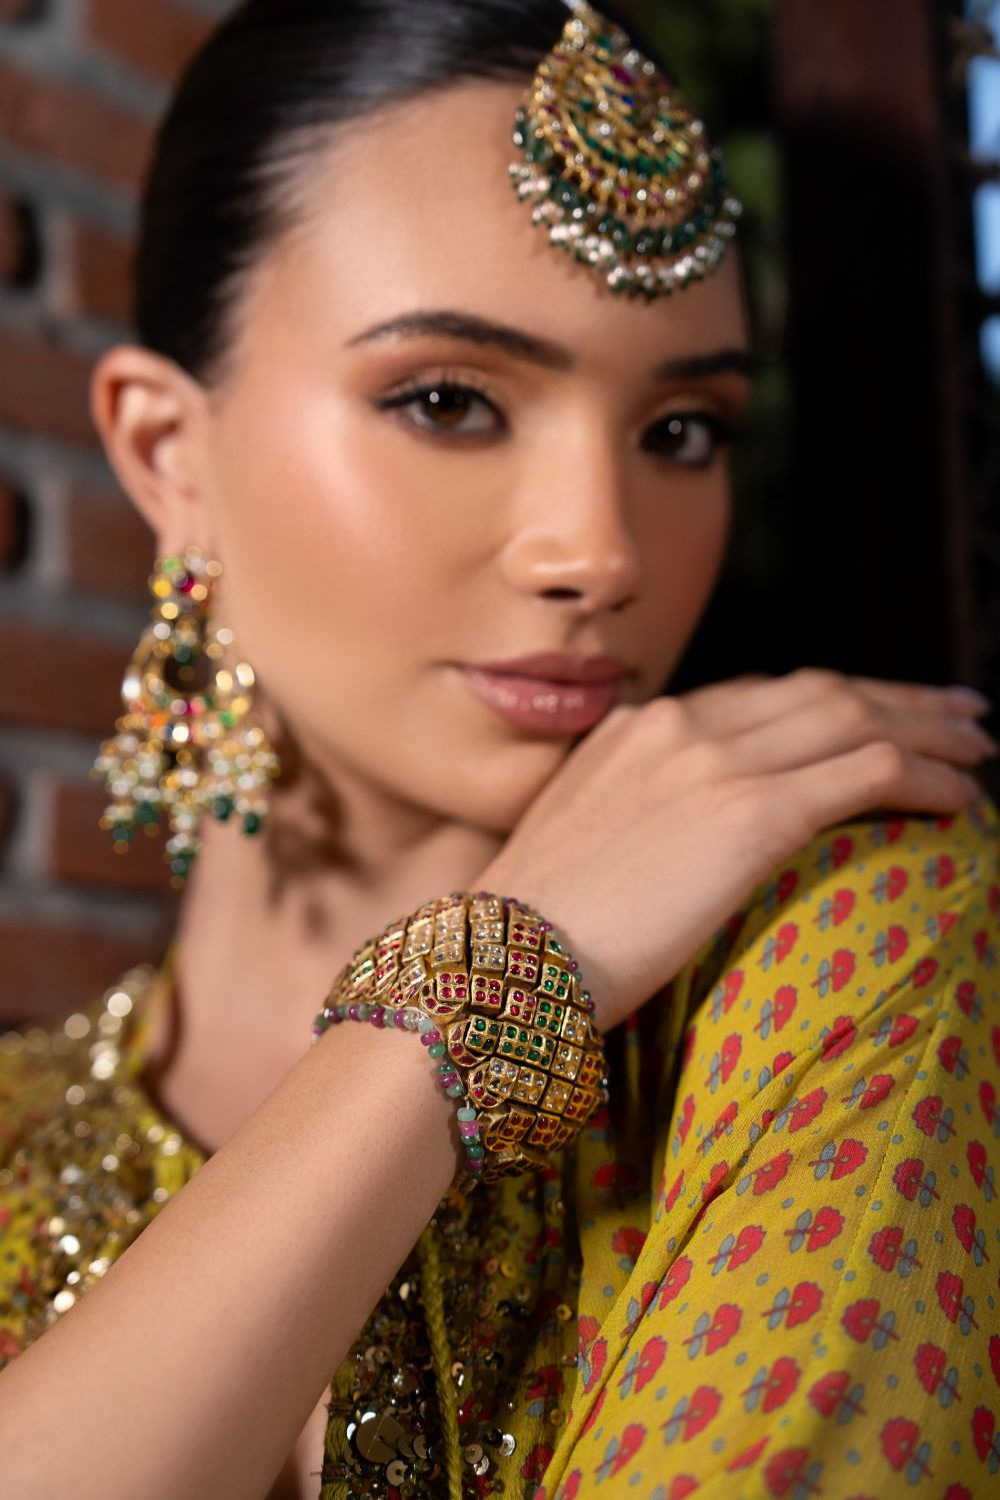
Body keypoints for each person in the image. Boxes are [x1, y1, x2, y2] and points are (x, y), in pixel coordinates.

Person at [1, 1, 998, 1496]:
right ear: (167, 453)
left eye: (683, 430)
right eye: (450, 401)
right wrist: (485, 985)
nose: (602, 554)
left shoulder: (844, 932)